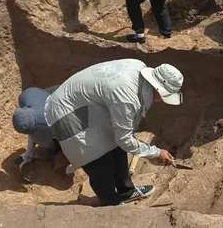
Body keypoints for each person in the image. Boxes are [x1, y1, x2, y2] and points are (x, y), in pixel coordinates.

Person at [45, 59, 184, 206]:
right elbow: (124, 139)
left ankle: (126, 191)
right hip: (66, 110)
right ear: (157, 89)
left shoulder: (138, 67)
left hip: (86, 103)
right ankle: (111, 204)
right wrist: (154, 153)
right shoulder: (127, 97)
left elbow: (122, 138)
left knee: (116, 146)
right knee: (97, 160)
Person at [12, 86, 62, 170]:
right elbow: (32, 126)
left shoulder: (54, 120)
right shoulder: (38, 99)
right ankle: (30, 153)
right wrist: (29, 151)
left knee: (52, 151)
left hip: (74, 118)